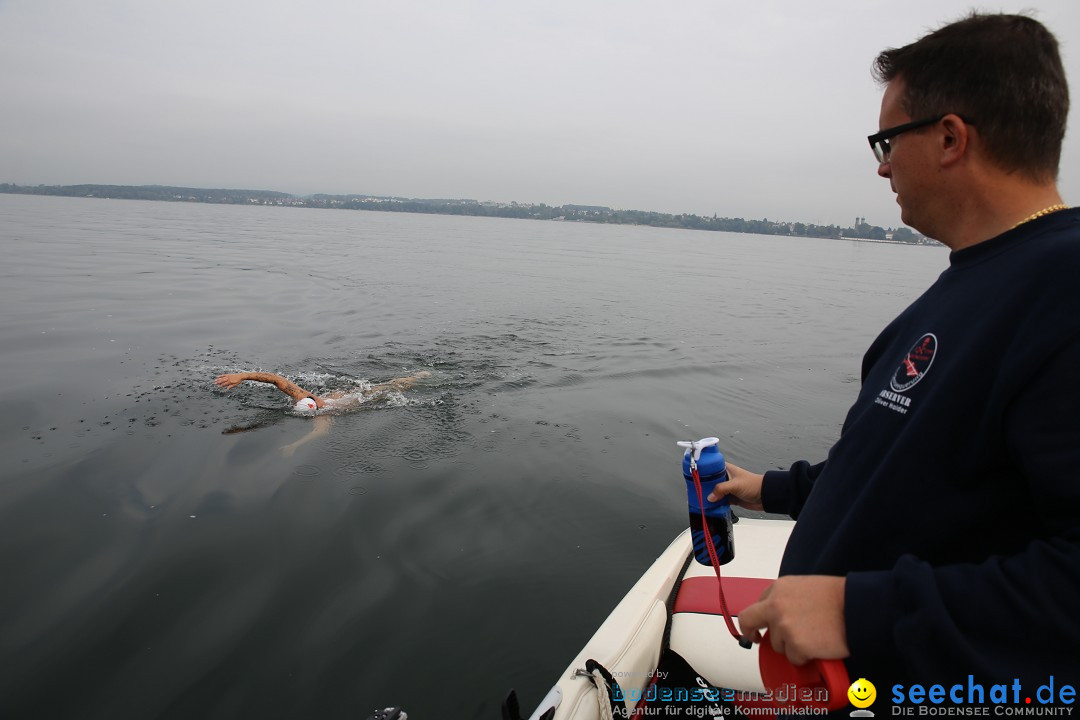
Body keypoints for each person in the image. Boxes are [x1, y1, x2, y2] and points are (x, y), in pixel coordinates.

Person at [713, 13, 1079, 694]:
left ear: (948, 137)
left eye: (887, 140)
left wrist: (861, 612)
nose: (881, 165)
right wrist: (771, 488)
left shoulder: (1064, 289)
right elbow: (907, 463)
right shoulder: (969, 282)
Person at [214, 370, 431, 412]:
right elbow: (275, 380)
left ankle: (419, 376)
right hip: (343, 395)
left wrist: (294, 446)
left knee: (391, 389)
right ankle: (416, 376)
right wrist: (241, 376)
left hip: (359, 399)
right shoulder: (308, 398)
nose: (291, 401)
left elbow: (318, 434)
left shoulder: (322, 413)